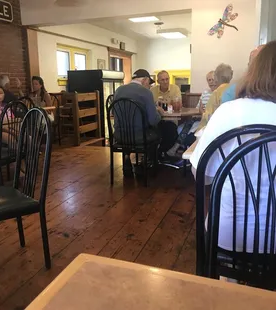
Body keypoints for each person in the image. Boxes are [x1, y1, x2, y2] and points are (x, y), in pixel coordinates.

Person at [190, 41, 276, 252]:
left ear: (253, 72)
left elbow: (201, 174)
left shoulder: (227, 112)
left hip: (227, 233)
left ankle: (229, 281)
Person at [113, 69, 178, 175]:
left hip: (119, 135)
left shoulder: (119, 90)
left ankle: (127, 157)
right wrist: (158, 112)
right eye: (149, 83)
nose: (149, 85)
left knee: (136, 128)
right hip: (139, 136)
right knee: (165, 129)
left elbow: (114, 112)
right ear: (145, 80)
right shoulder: (146, 92)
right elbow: (153, 121)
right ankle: (149, 160)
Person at [196, 63, 233, 131]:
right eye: (209, 80)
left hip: (217, 129)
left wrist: (203, 114)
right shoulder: (236, 90)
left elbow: (209, 116)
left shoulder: (216, 93)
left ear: (216, 78)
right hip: (233, 129)